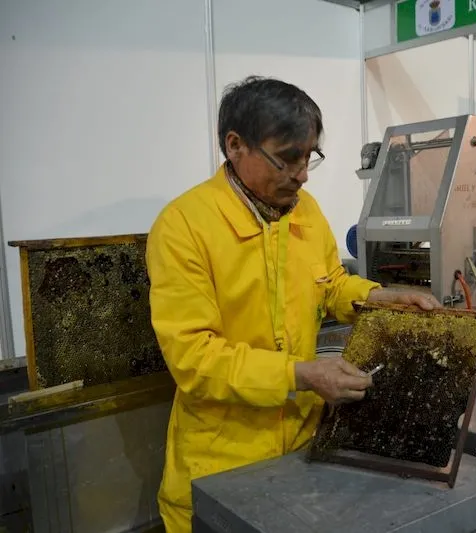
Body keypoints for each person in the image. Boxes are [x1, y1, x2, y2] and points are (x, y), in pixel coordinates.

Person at [145, 75, 440, 533]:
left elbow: (331, 284)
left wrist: (379, 297)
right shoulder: (185, 226)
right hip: (221, 464)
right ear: (235, 144)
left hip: (303, 453)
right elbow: (193, 358)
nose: (301, 174)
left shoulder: (306, 212)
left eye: (309, 157)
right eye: (287, 158)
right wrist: (299, 375)